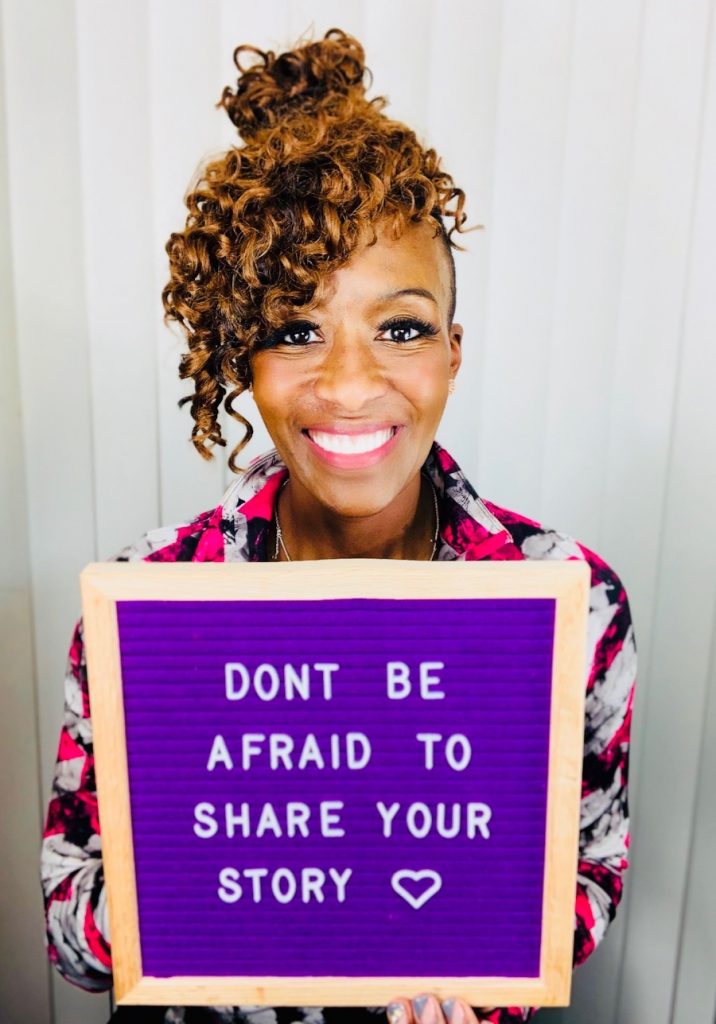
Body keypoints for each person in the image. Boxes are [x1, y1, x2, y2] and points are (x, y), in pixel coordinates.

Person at [40, 27, 637, 1024]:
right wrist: (208, 872)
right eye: (293, 329)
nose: (350, 385)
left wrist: (479, 977)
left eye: (398, 328)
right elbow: (71, 926)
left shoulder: (566, 598)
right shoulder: (158, 600)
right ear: (243, 359)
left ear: (452, 351)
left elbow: (593, 869)